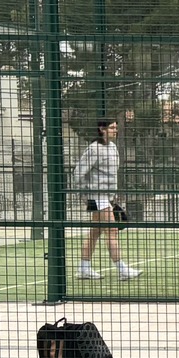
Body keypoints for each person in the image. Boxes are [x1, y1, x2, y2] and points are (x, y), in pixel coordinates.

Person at [73, 119, 140, 280]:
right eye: (111, 128)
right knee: (112, 230)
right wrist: (86, 194)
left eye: (116, 127)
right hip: (97, 196)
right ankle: (122, 270)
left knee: (95, 232)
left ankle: (84, 268)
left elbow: (112, 174)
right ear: (102, 129)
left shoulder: (113, 147)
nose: (115, 130)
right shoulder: (93, 149)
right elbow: (78, 173)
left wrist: (113, 196)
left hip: (107, 197)